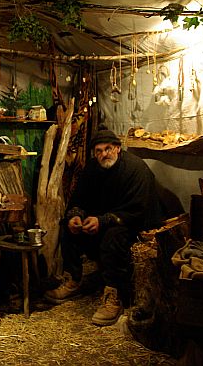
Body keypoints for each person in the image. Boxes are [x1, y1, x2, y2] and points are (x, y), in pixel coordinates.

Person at [44, 128, 163, 326]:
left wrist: (104, 220)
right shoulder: (92, 168)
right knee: (68, 227)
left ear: (117, 148)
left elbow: (139, 209)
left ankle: (114, 295)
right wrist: (76, 216)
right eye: (98, 151)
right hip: (102, 219)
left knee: (113, 237)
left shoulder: (135, 169)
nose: (104, 154)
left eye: (108, 149)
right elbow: (79, 199)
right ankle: (74, 279)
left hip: (132, 222)